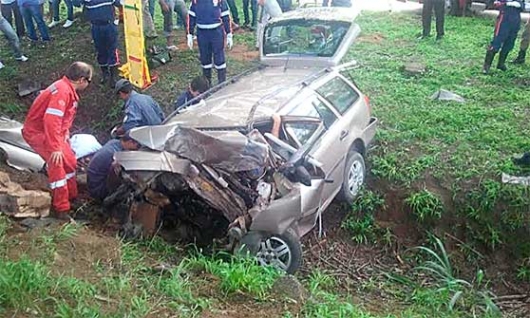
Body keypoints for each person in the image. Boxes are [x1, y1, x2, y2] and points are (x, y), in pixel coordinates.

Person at [22, 62, 93, 219]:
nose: (88, 84)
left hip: (54, 134)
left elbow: (61, 120)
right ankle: (61, 208)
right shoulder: (62, 91)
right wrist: (55, 147)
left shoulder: (65, 89)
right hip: (39, 133)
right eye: (89, 81)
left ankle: (72, 196)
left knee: (70, 161)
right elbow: (51, 119)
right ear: (81, 79)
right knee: (57, 165)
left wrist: (64, 135)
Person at [187, 0, 234, 85]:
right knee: (205, 58)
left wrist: (229, 34)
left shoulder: (220, 1)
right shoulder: (195, 2)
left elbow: (226, 16)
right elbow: (191, 17)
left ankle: (222, 83)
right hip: (202, 33)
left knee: (219, 57)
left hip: (216, 32)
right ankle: (207, 84)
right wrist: (190, 34)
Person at [87, 135, 140, 200]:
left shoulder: (114, 142)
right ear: (130, 142)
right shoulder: (114, 155)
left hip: (93, 181)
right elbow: (119, 174)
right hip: (98, 189)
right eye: (137, 146)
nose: (136, 149)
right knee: (129, 187)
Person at [81, 0, 121, 86]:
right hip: (96, 26)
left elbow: (119, 3)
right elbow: (77, 4)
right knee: (100, 50)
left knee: (112, 49)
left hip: (109, 25)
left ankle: (113, 76)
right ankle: (105, 73)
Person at [482, 0, 524, 74]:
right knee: (497, 41)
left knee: (510, 42)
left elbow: (522, 5)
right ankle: (486, 66)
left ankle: (501, 64)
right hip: (504, 17)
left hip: (516, 17)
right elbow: (496, 3)